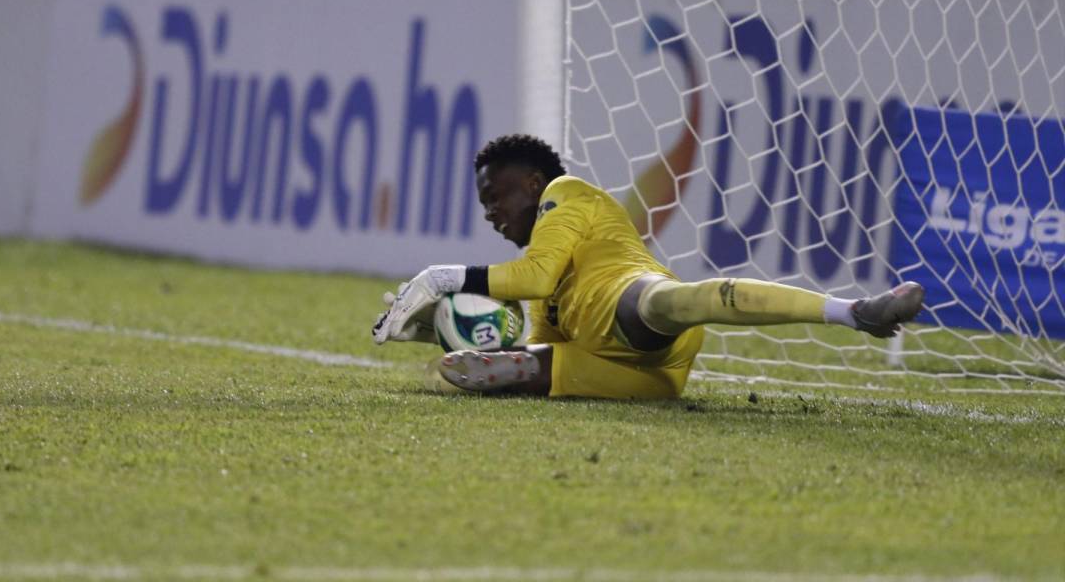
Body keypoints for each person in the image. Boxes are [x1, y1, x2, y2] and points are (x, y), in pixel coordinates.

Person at [371, 133, 925, 399]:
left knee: (674, 301)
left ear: (534, 185)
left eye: (497, 196)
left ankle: (856, 312)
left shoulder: (567, 195)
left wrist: (447, 278)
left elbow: (535, 275)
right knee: (535, 365)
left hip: (630, 302)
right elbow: (541, 311)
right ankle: (502, 372)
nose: (490, 212)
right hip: (640, 375)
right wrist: (443, 333)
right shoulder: (540, 292)